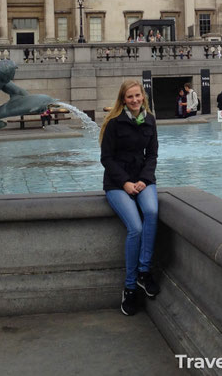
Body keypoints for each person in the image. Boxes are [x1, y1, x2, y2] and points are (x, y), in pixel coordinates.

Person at [99, 80, 160, 316]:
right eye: (129, 97)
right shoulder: (114, 123)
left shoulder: (150, 120)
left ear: (143, 96)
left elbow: (152, 154)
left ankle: (144, 272)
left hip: (143, 180)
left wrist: (144, 179)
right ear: (122, 100)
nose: (134, 100)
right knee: (135, 227)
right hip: (117, 183)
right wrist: (124, 182)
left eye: (137, 96)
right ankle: (130, 287)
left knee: (152, 212)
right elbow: (106, 158)